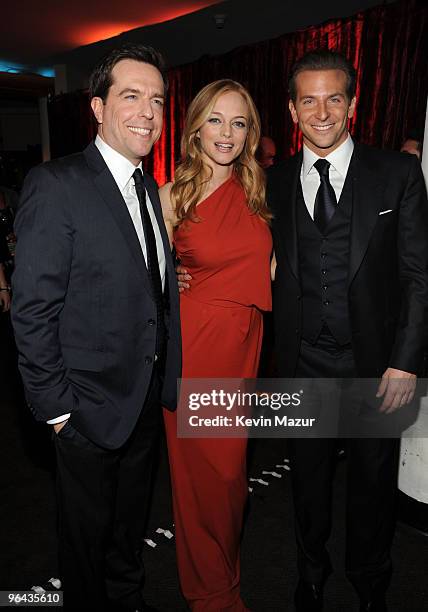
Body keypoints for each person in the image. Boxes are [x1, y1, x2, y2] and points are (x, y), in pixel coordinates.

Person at [12, 43, 181, 612]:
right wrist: (58, 411)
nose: (147, 112)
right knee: (83, 551)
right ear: (98, 108)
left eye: (156, 100)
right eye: (131, 96)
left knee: (127, 538)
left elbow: (144, 288)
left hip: (142, 405)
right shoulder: (56, 184)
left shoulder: (148, 189)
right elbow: (32, 311)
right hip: (83, 409)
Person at [267, 49, 428, 612]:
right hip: (302, 360)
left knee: (373, 485)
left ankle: (371, 583)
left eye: (334, 97)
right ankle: (311, 574)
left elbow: (417, 275)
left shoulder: (397, 173)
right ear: (291, 109)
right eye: (308, 100)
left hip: (378, 365)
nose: (322, 111)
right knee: (306, 484)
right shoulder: (273, 179)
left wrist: (405, 360)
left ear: (353, 104)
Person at [160, 79, 272, 611]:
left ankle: (224, 570)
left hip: (245, 342)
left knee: (231, 477)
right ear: (196, 126)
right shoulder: (170, 194)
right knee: (205, 474)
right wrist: (168, 281)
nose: (226, 133)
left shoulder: (257, 188)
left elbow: (270, 264)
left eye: (239, 122)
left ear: (249, 133)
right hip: (197, 344)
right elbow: (140, 275)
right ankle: (211, 591)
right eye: (215, 120)